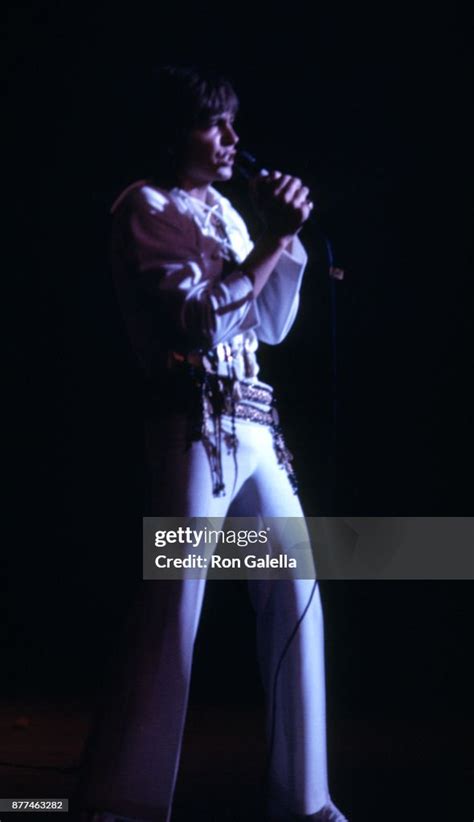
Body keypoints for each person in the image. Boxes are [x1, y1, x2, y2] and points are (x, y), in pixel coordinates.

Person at [76, 66, 348, 822]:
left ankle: (307, 799)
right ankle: (125, 803)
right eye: (214, 124)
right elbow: (196, 321)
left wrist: (276, 244)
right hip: (192, 427)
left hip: (257, 427)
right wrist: (272, 245)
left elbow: (270, 327)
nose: (233, 138)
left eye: (233, 123)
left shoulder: (228, 212)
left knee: (298, 596)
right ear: (176, 133)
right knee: (176, 607)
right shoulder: (145, 206)